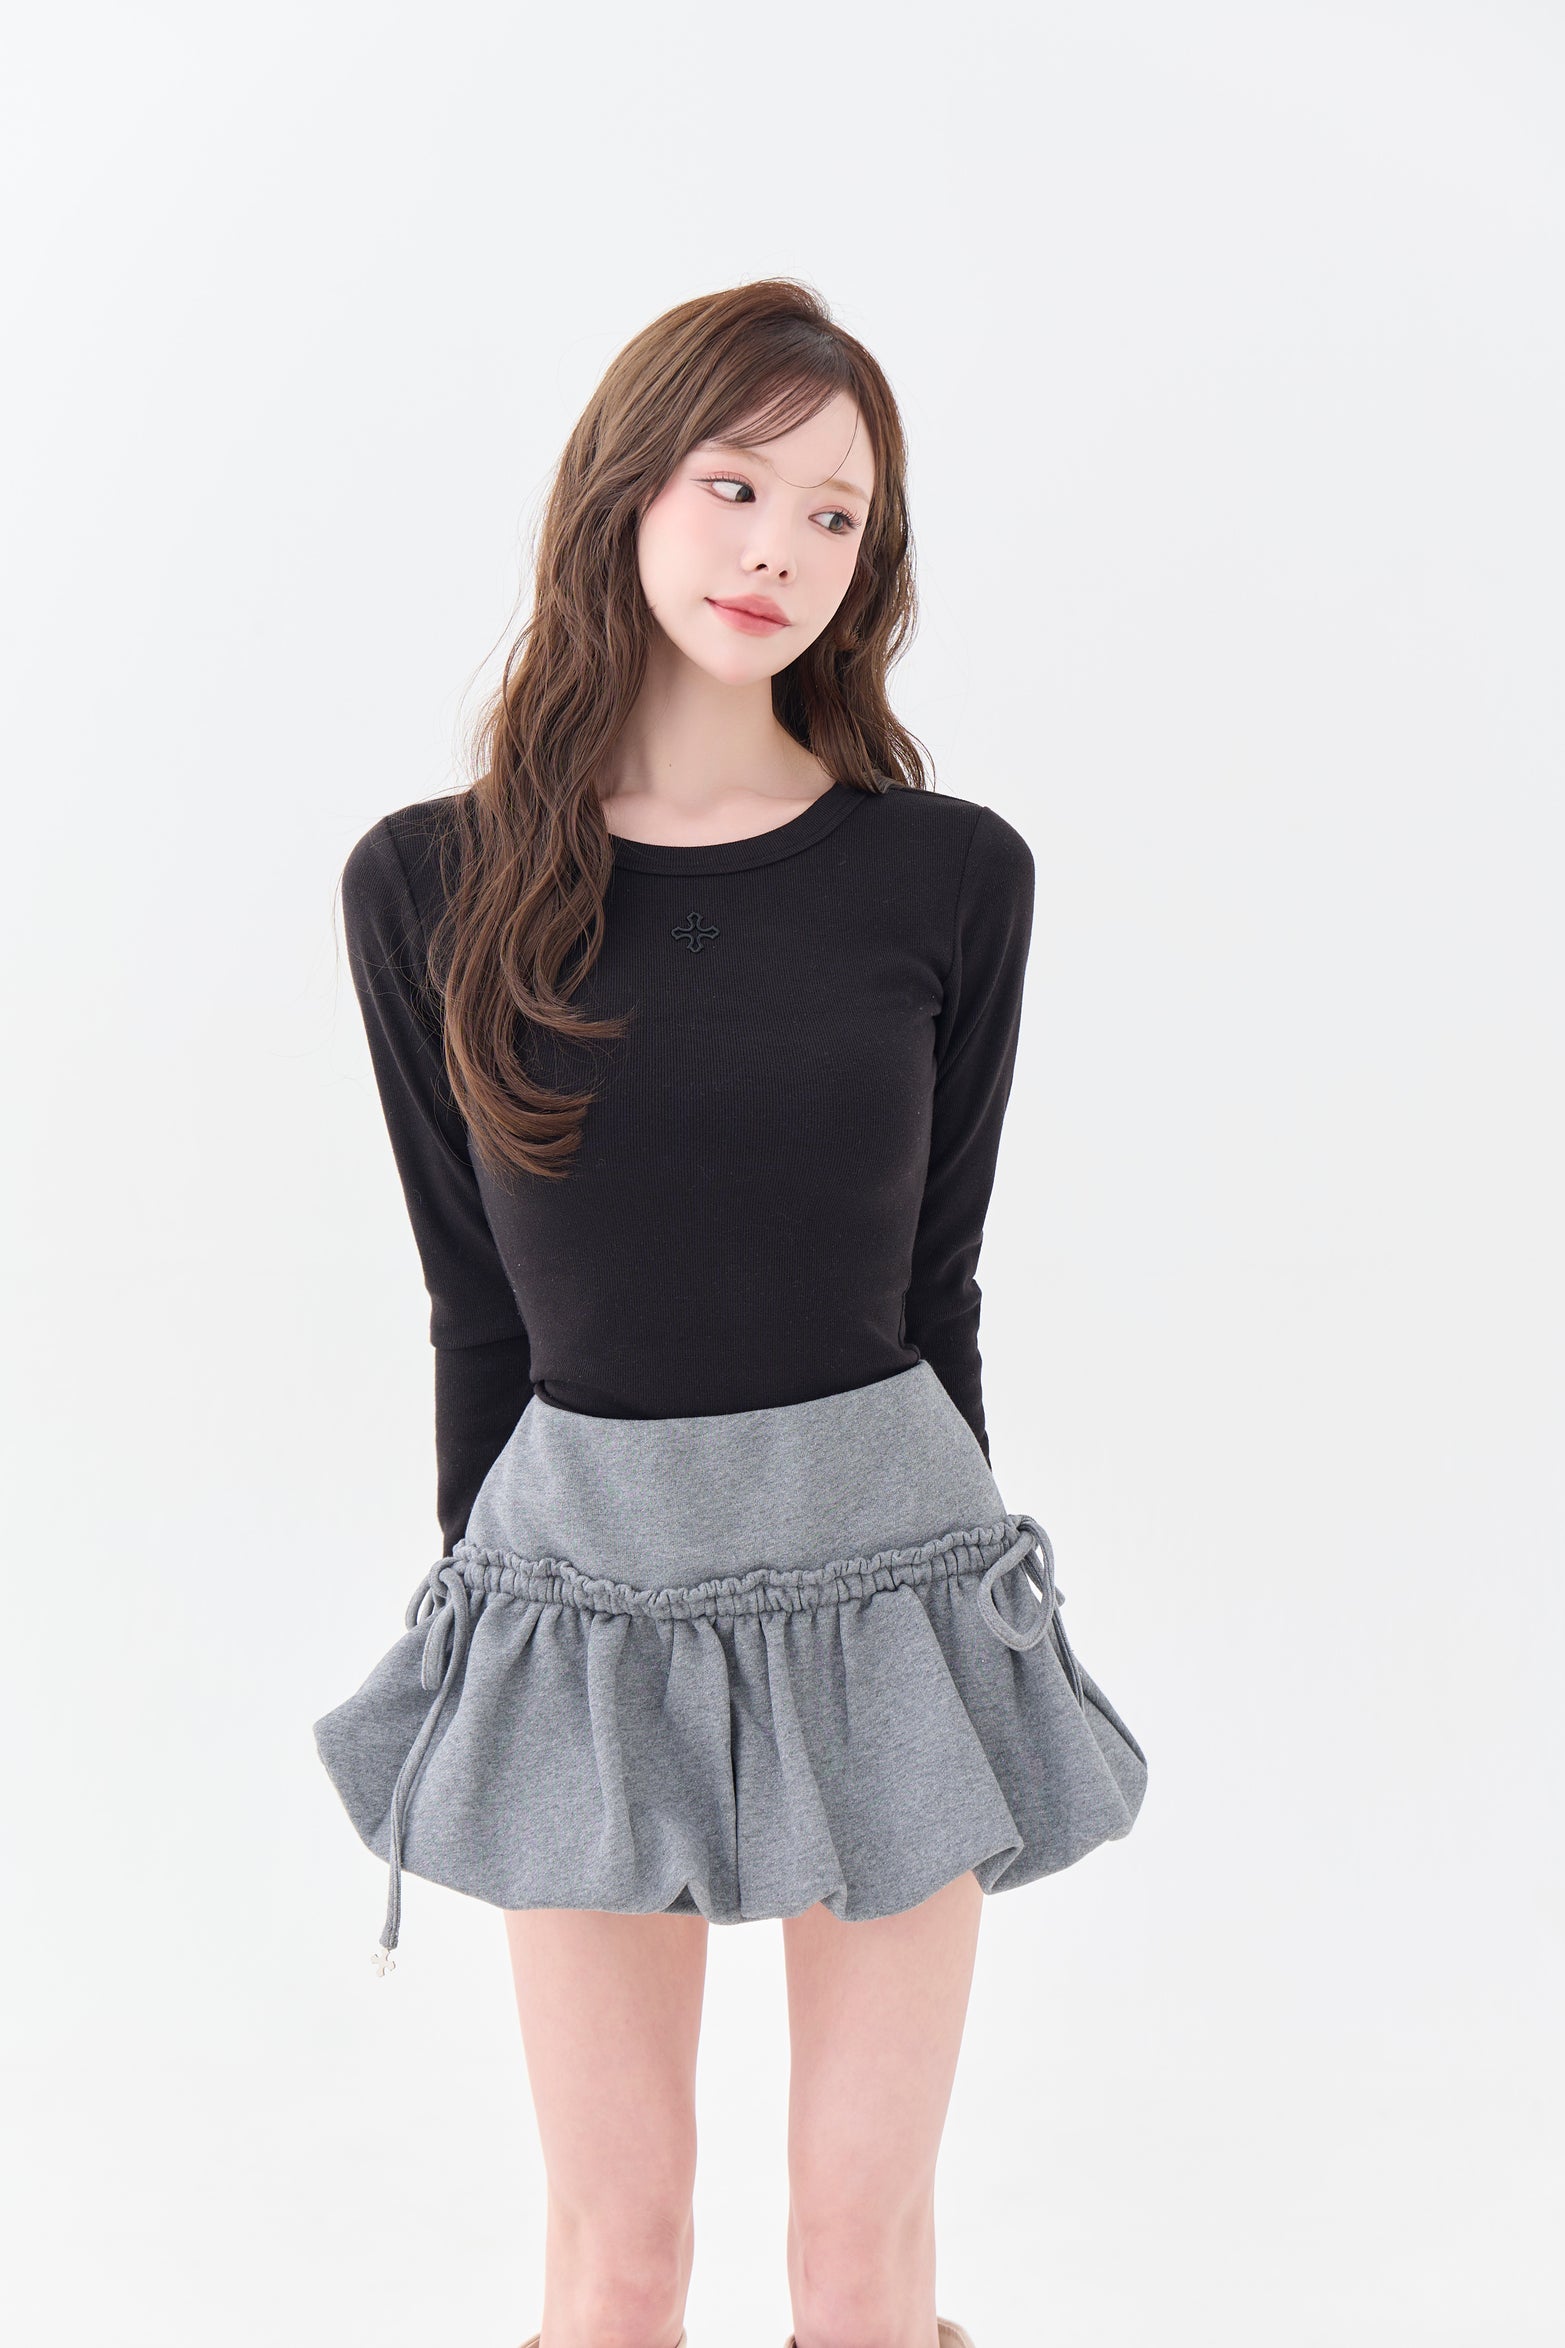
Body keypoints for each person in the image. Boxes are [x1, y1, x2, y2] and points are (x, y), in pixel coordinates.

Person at [314, 277, 1147, 2348]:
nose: (780, 546)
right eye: (736, 484)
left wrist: (976, 1618)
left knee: (859, 2270)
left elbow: (935, 1282)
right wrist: (482, 1615)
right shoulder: (429, 884)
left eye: (835, 514)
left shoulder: (947, 876)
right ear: (626, 490)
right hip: (579, 1604)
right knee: (619, 2267)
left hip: (893, 1587)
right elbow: (473, 1307)